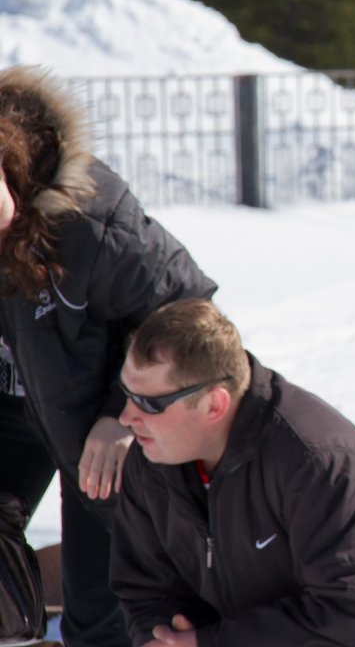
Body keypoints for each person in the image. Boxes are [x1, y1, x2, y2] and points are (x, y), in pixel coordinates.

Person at [110, 298, 355, 647]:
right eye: (125, 395)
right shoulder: (155, 461)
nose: (127, 418)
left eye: (148, 403)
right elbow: (145, 588)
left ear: (214, 404)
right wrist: (166, 637)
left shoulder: (322, 463)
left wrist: (211, 642)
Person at [0, 65, 217, 646]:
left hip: (102, 411)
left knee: (104, 612)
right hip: (16, 401)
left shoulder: (85, 215)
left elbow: (186, 306)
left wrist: (127, 412)